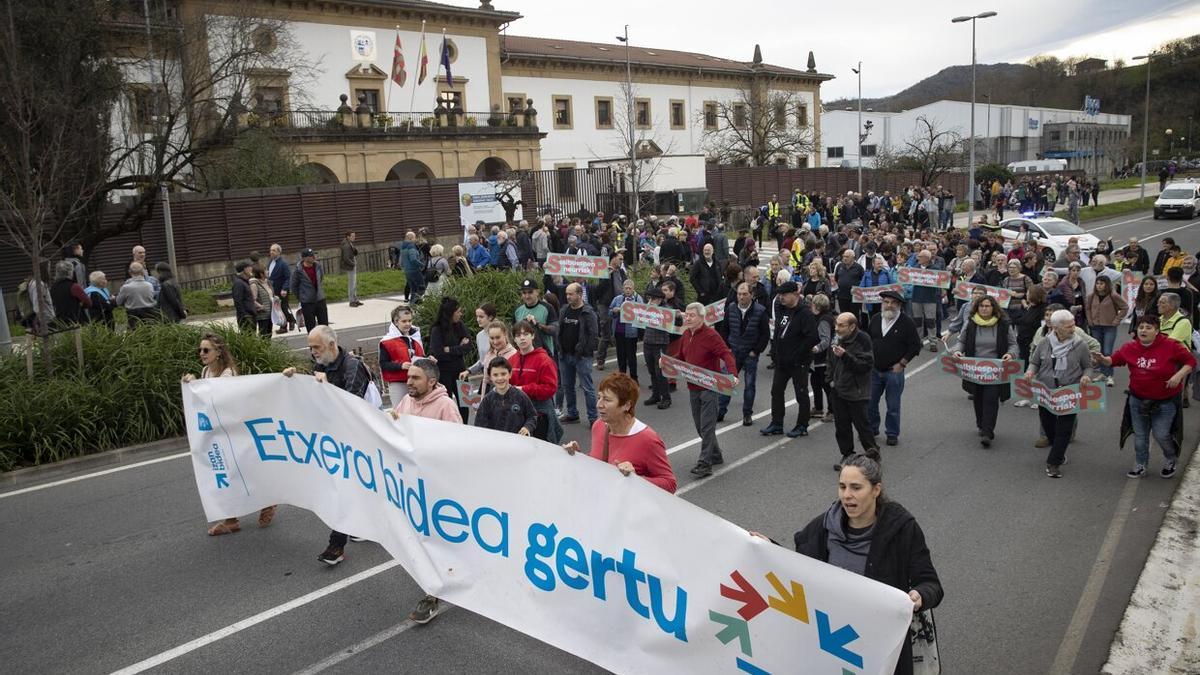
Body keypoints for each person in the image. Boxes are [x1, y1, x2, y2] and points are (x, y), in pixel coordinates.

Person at [754, 454, 942, 675]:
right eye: (842, 487)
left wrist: (920, 596)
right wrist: (769, 549)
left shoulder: (902, 529)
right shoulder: (823, 527)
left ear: (876, 490)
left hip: (880, 644)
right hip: (833, 641)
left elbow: (930, 583)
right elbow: (799, 569)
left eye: (856, 487)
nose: (847, 495)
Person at [283, 325, 373, 565]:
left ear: (332, 345)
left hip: (359, 438)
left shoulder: (352, 366)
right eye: (311, 347)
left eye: (316, 347)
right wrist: (295, 381)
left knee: (343, 489)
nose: (313, 352)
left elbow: (351, 404)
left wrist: (325, 387)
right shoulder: (321, 364)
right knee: (354, 487)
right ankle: (363, 523)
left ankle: (336, 545)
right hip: (335, 438)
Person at [387, 357, 463, 625]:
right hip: (411, 486)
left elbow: (457, 446)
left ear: (431, 382)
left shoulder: (445, 406)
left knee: (436, 540)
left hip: (436, 488)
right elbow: (393, 429)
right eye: (409, 377)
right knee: (421, 538)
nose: (409, 381)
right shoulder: (406, 401)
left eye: (415, 378)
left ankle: (432, 596)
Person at [184, 333, 278, 536]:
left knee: (238, 472)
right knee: (225, 473)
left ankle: (266, 500)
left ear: (218, 353)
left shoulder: (229, 374)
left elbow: (220, 400)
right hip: (217, 433)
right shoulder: (205, 371)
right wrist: (191, 384)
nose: (202, 353)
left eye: (206, 350)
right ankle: (232, 518)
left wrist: (198, 388)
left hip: (233, 432)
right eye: (200, 350)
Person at [1096, 315, 1195, 479]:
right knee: (1140, 436)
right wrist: (1102, 359)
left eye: (1148, 327)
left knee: (1161, 434)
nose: (1143, 330)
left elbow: (1190, 361)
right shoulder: (1129, 347)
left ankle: (1171, 459)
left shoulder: (1171, 345)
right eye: (1141, 327)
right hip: (1137, 400)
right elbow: (1112, 360)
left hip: (1165, 401)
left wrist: (1178, 376)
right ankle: (1141, 464)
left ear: (1157, 331)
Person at [562, 372, 676, 493]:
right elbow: (599, 462)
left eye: (607, 400)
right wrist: (578, 456)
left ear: (626, 405)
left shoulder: (648, 439)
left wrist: (636, 479)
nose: (599, 405)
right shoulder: (598, 425)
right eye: (599, 397)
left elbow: (670, 484)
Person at [669, 302, 737, 478]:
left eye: (691, 315)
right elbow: (682, 357)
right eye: (686, 315)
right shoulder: (686, 334)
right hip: (693, 387)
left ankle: (704, 463)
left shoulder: (711, 335)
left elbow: (726, 354)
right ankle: (715, 454)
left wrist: (733, 374)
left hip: (709, 387)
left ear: (701, 317)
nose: (687, 318)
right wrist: (668, 363)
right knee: (700, 427)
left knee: (707, 427)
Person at [1026, 310, 1095, 478]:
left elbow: (1088, 366)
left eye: (1073, 325)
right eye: (1069, 326)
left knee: (1064, 429)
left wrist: (1086, 376)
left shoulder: (1080, 345)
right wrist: (1030, 372)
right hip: (1046, 392)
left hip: (1069, 392)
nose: (1073, 328)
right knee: (1049, 426)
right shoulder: (1044, 343)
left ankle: (1053, 462)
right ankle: (1057, 449)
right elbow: (1034, 362)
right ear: (1057, 327)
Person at [953, 296, 1018, 447]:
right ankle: (981, 424)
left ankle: (988, 431)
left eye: (987, 306)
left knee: (991, 399)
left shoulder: (1003, 324)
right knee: (978, 398)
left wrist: (1011, 354)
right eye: (981, 306)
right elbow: (961, 341)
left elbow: (1013, 344)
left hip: (995, 370)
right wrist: (957, 351)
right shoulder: (971, 323)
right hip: (975, 370)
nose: (984, 308)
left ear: (993, 308)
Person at [760, 282, 818, 438]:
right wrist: (775, 353)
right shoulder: (782, 309)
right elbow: (779, 331)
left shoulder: (805, 313)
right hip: (781, 361)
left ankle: (802, 425)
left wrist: (797, 353)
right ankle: (776, 423)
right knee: (776, 391)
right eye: (780, 295)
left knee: (801, 393)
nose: (781, 298)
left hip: (798, 362)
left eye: (784, 295)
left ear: (795, 294)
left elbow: (812, 337)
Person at [867, 290, 922, 447]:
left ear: (899, 305)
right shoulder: (876, 319)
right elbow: (869, 340)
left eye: (892, 303)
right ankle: (872, 428)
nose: (888, 305)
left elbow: (915, 346)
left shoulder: (906, 322)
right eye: (886, 302)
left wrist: (902, 363)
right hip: (874, 370)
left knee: (893, 406)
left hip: (894, 371)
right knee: (870, 402)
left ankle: (892, 433)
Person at [718, 281, 770, 426]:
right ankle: (720, 411)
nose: (741, 297)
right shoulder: (731, 308)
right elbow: (724, 330)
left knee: (749, 385)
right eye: (739, 294)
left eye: (744, 294)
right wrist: (726, 348)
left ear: (751, 295)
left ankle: (747, 414)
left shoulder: (760, 311)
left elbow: (765, 335)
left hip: (750, 353)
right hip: (733, 351)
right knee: (727, 383)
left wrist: (756, 351)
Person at [510, 321, 561, 442]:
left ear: (533, 335)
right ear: (514, 339)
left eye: (526, 334)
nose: (522, 338)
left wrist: (523, 389)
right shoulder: (511, 360)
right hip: (517, 413)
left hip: (540, 414)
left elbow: (550, 388)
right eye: (518, 335)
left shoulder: (544, 360)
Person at [557, 282, 599, 425]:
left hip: (581, 357)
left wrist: (586, 351)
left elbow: (594, 335)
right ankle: (572, 414)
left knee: (587, 388)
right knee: (568, 387)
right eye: (567, 294)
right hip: (565, 355)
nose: (567, 296)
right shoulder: (564, 310)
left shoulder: (588, 312)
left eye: (571, 294)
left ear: (580, 294)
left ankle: (593, 418)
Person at [429, 297, 474, 422]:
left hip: (461, 370)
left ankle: (465, 427)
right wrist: (459, 347)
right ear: (450, 313)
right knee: (446, 403)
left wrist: (450, 349)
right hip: (444, 373)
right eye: (458, 311)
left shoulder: (460, 325)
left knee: (467, 402)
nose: (460, 314)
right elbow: (437, 352)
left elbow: (469, 346)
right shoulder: (437, 329)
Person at [474, 357, 538, 436]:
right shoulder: (487, 400)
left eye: (503, 374)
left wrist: (527, 427)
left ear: (510, 374)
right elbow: (480, 424)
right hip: (496, 443)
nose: (500, 378)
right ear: (490, 377)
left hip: (519, 442)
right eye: (495, 375)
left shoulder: (520, 396)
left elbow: (532, 416)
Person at [1086, 276, 1127, 387]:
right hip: (1095, 327)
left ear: (1107, 284)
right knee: (1099, 351)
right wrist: (1090, 320)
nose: (1099, 286)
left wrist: (1117, 320)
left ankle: (1110, 376)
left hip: (1109, 327)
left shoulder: (1113, 296)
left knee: (1108, 351)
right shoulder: (1091, 296)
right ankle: (1103, 374)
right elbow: (1088, 308)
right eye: (1097, 283)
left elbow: (1125, 307)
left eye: (1101, 283)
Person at [379, 304, 424, 403]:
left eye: (410, 320)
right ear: (395, 322)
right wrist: (400, 366)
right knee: (401, 414)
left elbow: (420, 356)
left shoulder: (415, 336)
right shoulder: (387, 341)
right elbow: (383, 364)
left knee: (418, 413)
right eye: (404, 321)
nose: (408, 324)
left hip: (417, 381)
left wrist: (428, 360)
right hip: (398, 383)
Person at [640, 287, 675, 410]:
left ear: (659, 299)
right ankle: (656, 395)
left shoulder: (666, 310)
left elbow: (677, 322)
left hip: (660, 344)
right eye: (649, 298)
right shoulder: (647, 308)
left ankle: (666, 398)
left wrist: (677, 316)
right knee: (652, 371)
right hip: (648, 342)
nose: (650, 301)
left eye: (653, 299)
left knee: (660, 372)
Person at [463, 320, 517, 396]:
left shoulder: (514, 354)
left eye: (498, 337)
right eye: (492, 338)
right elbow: (485, 381)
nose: (495, 342)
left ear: (505, 334)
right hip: (492, 397)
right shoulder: (489, 354)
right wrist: (483, 401)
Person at [609, 279, 643, 382]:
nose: (628, 290)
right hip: (619, 331)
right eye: (626, 288)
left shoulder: (637, 299)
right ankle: (622, 378)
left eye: (630, 288)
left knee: (631, 357)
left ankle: (634, 379)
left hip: (631, 332)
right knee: (621, 356)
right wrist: (614, 311)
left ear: (633, 289)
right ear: (623, 288)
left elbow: (642, 313)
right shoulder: (618, 298)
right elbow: (609, 312)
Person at [809, 294, 836, 423]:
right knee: (815, 382)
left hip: (823, 359)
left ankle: (832, 411)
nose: (811, 306)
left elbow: (826, 339)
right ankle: (818, 408)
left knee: (826, 385)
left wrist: (816, 348)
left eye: (812, 304)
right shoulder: (822, 317)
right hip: (818, 360)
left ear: (817, 306)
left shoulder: (824, 320)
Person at [515, 279, 558, 356]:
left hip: (544, 355)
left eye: (530, 292)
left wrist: (538, 325)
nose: (527, 296)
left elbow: (555, 330)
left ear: (537, 292)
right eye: (524, 293)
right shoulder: (518, 310)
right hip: (524, 354)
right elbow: (514, 333)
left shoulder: (547, 307)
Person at [290, 248, 329, 332]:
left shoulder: (318, 266)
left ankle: (324, 344)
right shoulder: (298, 270)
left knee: (324, 326)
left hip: (320, 299)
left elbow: (321, 278)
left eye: (313, 255)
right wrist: (301, 297)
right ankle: (314, 345)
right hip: (307, 302)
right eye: (310, 256)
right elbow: (293, 286)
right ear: (304, 258)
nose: (313, 257)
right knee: (311, 327)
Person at [114, 262, 159, 328]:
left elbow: (118, 302)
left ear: (130, 272)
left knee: (137, 334)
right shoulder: (149, 285)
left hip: (133, 316)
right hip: (150, 313)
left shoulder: (126, 287)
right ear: (142, 272)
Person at [48, 260, 91, 327]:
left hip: (61, 323)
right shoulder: (74, 286)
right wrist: (80, 304)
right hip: (76, 322)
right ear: (70, 272)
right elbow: (88, 302)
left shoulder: (52, 288)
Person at [267, 244, 296, 333]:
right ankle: (291, 320)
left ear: (279, 252)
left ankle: (283, 327)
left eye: (274, 250)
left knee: (282, 308)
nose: (271, 252)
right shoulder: (270, 262)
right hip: (273, 289)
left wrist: (285, 288)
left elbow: (288, 277)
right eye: (271, 250)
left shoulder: (283, 264)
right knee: (278, 309)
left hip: (282, 290)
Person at [400, 232, 425, 302]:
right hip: (414, 270)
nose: (415, 239)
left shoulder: (403, 247)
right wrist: (422, 265)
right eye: (414, 237)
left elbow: (401, 261)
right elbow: (413, 259)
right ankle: (415, 304)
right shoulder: (411, 246)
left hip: (407, 271)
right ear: (411, 238)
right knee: (421, 288)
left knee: (413, 289)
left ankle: (412, 305)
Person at [248, 266, 272, 335]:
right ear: (261, 274)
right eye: (266, 270)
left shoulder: (267, 282)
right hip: (262, 314)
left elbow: (270, 295)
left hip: (271, 313)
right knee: (263, 334)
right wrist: (261, 306)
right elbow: (252, 300)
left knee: (269, 334)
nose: (268, 272)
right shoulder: (254, 284)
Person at [341, 231, 360, 307]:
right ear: (348, 237)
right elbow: (346, 258)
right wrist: (353, 263)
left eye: (354, 236)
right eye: (352, 236)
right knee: (352, 284)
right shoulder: (346, 245)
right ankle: (351, 301)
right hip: (350, 266)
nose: (354, 237)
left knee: (354, 283)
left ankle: (355, 299)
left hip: (351, 265)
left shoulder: (349, 243)